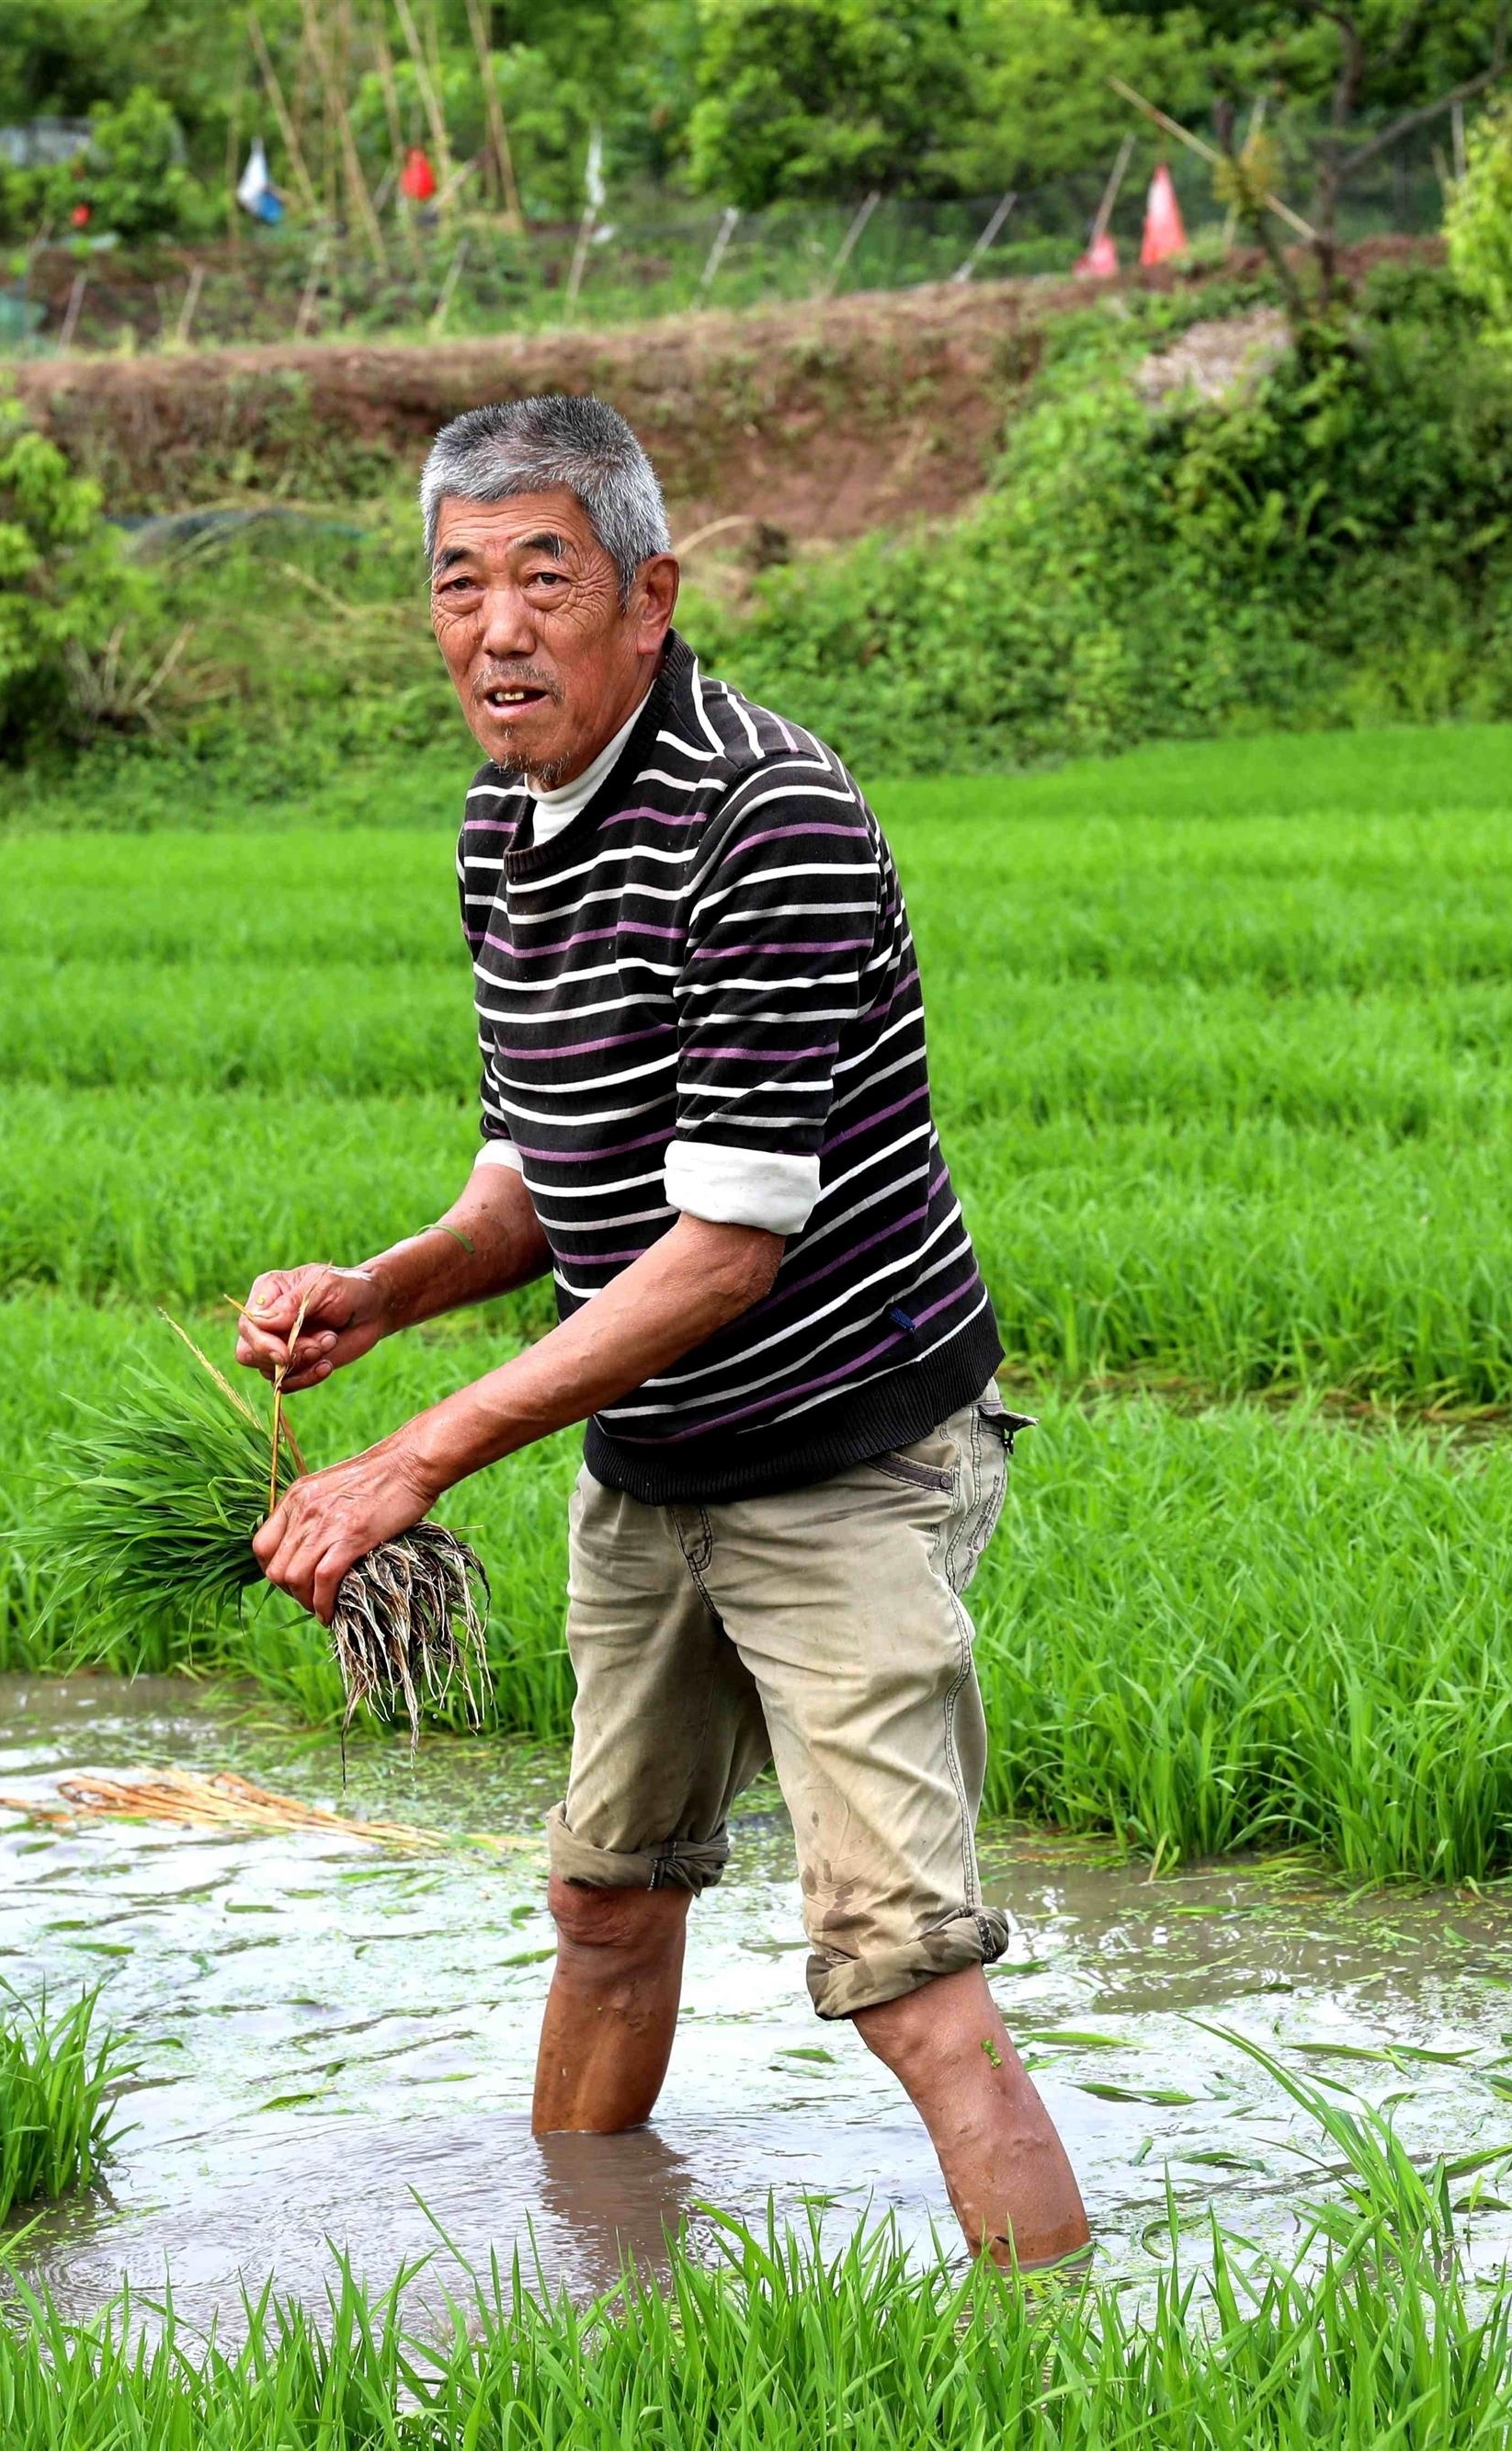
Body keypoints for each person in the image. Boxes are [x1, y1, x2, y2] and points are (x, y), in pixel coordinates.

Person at [231, 395, 1086, 2266]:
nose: (495, 628)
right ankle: (587, 2285)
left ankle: (1058, 2354)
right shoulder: (499, 831)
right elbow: (539, 1174)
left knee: (900, 1971)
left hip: (843, 1456)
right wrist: (382, 1293)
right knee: (606, 1901)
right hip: (651, 1462)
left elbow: (718, 1252)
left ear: (646, 593)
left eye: (542, 576)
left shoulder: (759, 813)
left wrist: (417, 1451)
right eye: (456, 586)